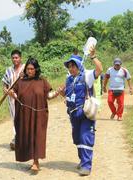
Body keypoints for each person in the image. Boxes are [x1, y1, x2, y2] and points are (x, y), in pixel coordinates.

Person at [7, 57, 60, 174]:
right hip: (24, 115)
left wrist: (56, 93)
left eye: (32, 69)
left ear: (36, 69)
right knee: (26, 136)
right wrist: (11, 94)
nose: (29, 71)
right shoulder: (20, 82)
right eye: (28, 69)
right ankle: (29, 158)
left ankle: (36, 162)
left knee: (37, 136)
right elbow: (15, 94)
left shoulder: (42, 81)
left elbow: (48, 95)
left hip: (39, 115)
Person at [59, 46, 102, 176]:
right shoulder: (69, 79)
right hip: (73, 113)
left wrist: (93, 57)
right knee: (77, 138)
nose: (71, 68)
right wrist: (62, 93)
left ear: (79, 66)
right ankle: (82, 160)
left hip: (85, 113)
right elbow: (68, 95)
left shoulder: (87, 76)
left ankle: (86, 166)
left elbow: (99, 70)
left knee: (85, 137)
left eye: (73, 66)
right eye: (69, 66)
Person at [2, 50, 25, 150]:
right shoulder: (8, 70)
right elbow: (4, 86)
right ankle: (17, 138)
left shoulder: (25, 68)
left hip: (24, 98)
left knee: (25, 118)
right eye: (13, 58)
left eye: (17, 57)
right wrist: (8, 92)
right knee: (15, 119)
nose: (15, 59)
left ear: (20, 58)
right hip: (12, 100)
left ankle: (25, 139)